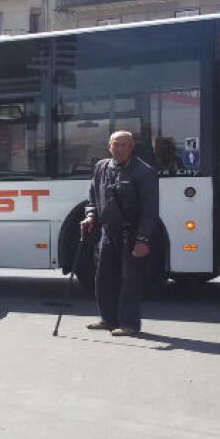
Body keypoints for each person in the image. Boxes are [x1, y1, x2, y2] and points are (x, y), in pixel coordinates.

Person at [81, 131, 159, 337]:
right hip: (108, 232)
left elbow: (150, 210)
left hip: (132, 233)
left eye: (124, 144)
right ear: (109, 146)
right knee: (104, 278)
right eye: (116, 144)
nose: (119, 148)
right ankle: (108, 319)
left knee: (130, 281)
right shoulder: (101, 167)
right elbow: (92, 197)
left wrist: (143, 239)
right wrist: (90, 216)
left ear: (132, 146)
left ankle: (129, 324)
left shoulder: (144, 172)